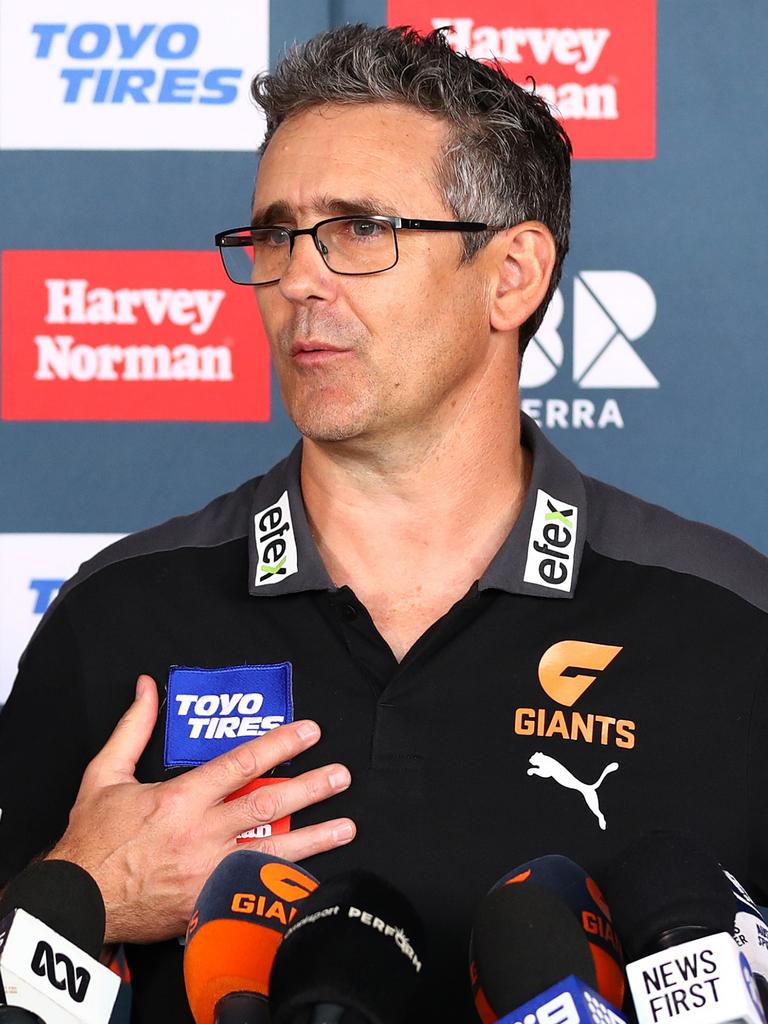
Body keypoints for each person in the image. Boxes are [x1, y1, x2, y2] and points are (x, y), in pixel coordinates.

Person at [1, 22, 767, 1024]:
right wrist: (85, 886)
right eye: (274, 235)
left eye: (362, 229)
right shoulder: (118, 617)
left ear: (513, 274)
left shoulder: (728, 628)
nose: (300, 280)